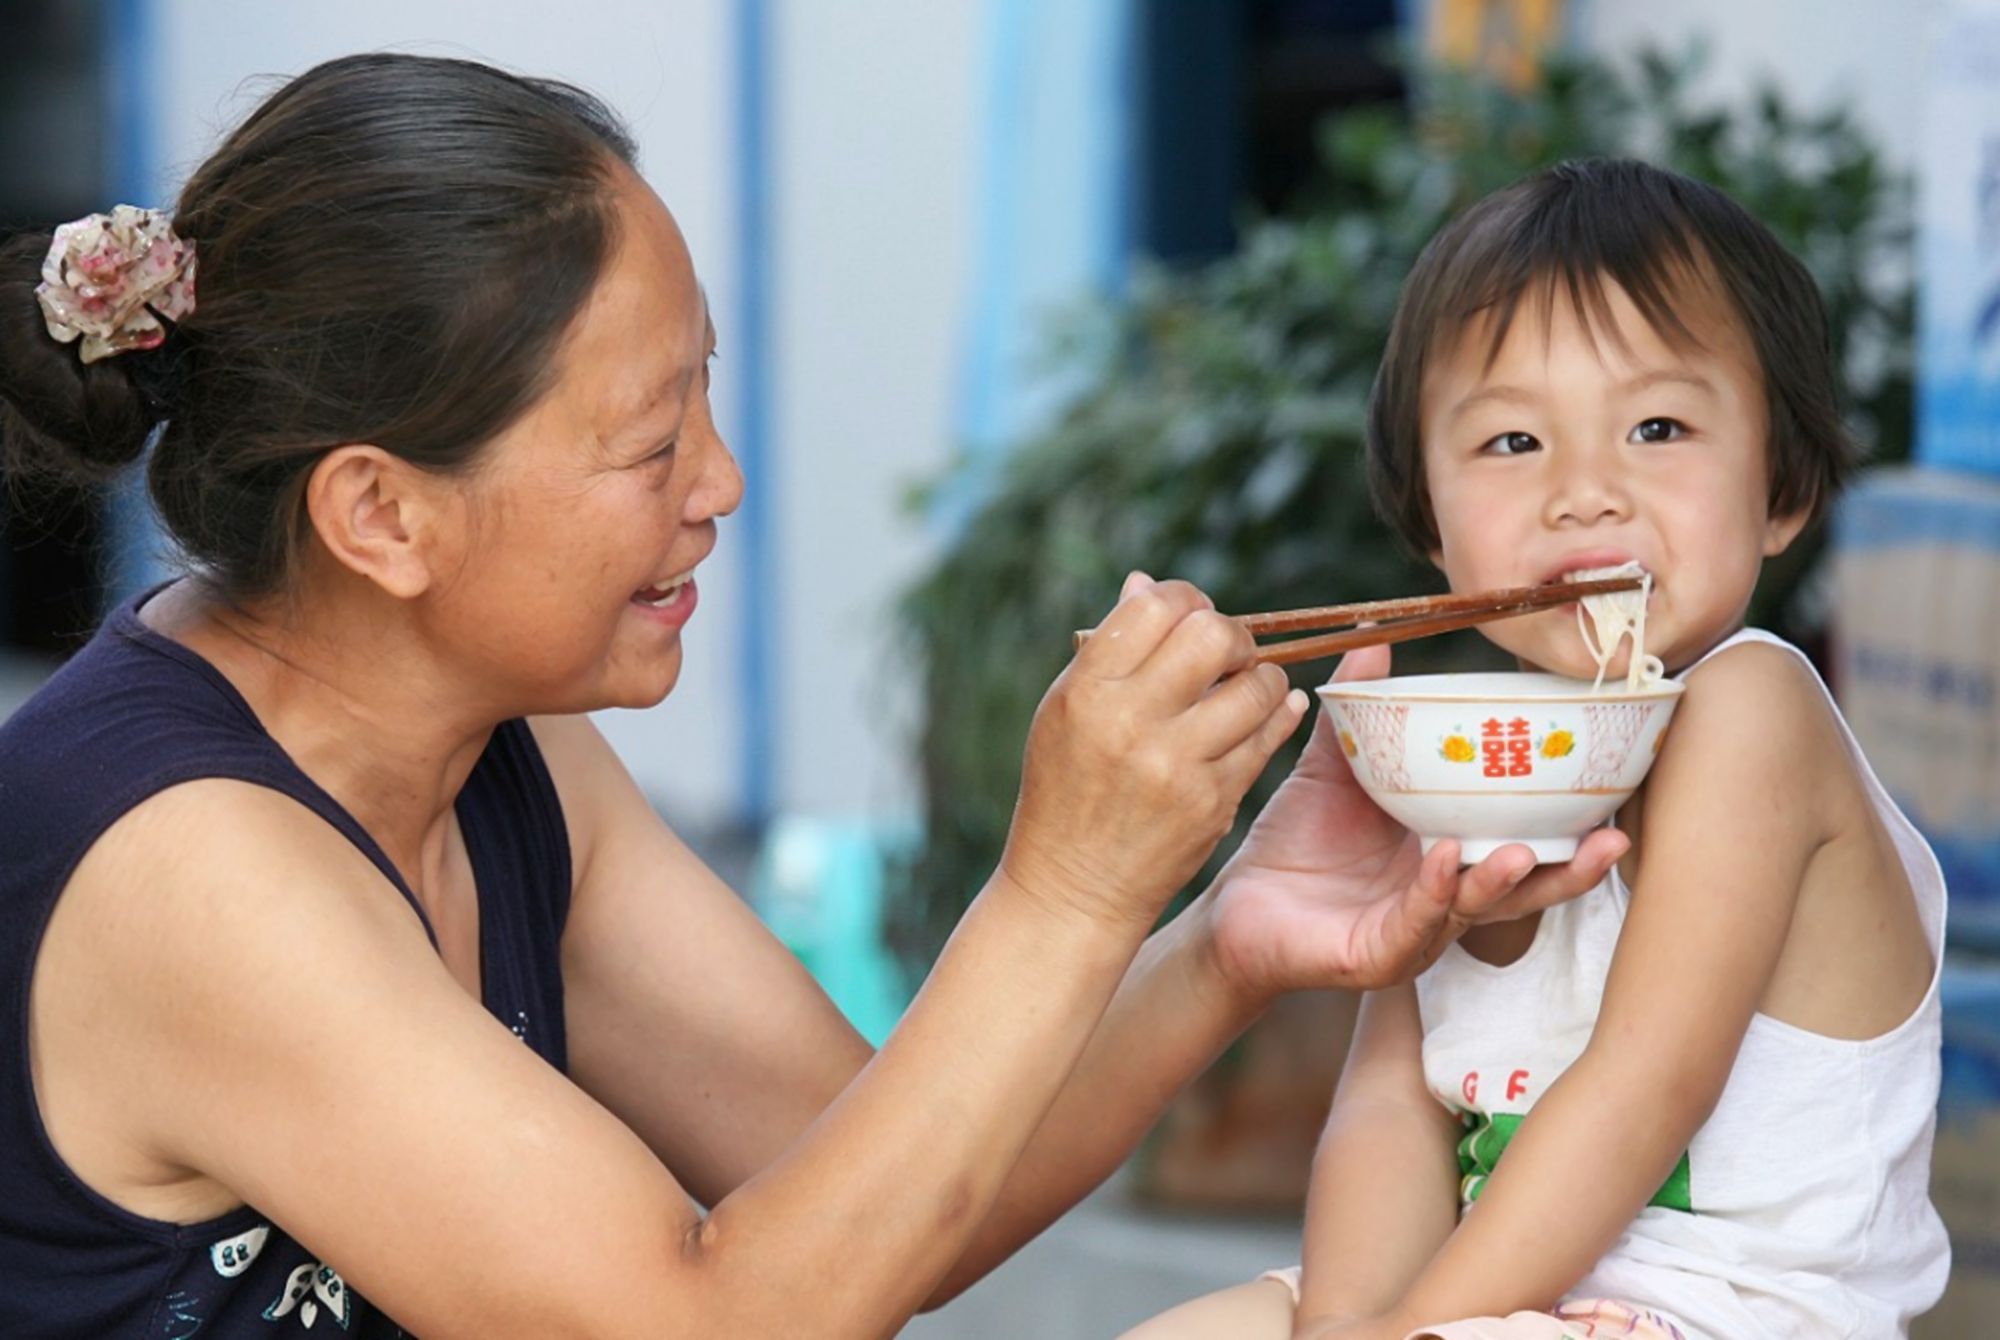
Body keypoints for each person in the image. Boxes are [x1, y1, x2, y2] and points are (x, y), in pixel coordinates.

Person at [0, 55, 1626, 1339]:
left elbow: (873, 1197)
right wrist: (1059, 884)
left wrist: (1225, 940)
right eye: (650, 445)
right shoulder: (192, 866)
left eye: (705, 399)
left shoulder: (504, 752)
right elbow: (726, 1315)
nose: (721, 481)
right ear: (380, 517)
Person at [1124, 158, 1950, 1340]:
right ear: (1428, 516)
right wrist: (1348, 1323)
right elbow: (1389, 1105)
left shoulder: (1749, 710)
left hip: (1716, 1313)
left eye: (1655, 426)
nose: (1583, 493)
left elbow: (1643, 1085)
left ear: (1781, 485)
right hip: (1476, 1296)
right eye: (1511, 442)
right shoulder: (1461, 750)